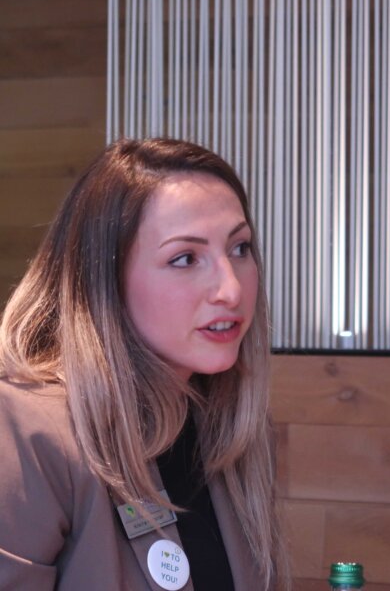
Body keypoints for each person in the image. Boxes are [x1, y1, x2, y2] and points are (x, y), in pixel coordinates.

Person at [0, 138, 287, 590]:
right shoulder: (28, 432)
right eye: (185, 258)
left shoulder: (232, 425)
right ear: (104, 282)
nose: (231, 289)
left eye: (240, 248)